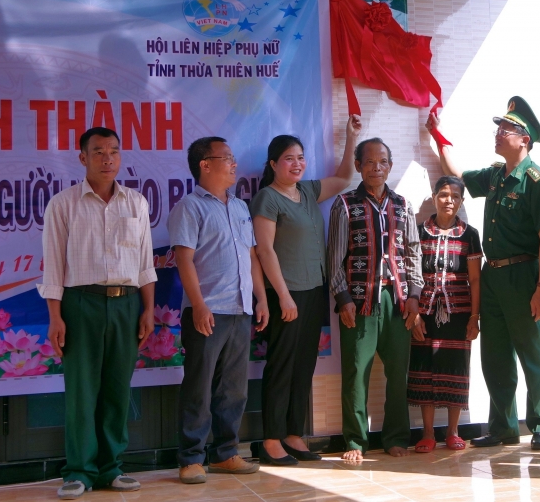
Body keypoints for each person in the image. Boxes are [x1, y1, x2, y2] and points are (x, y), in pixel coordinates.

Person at [427, 96, 540, 451]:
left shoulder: (537, 181)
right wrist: (438, 136)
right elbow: (457, 176)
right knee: (495, 356)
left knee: (533, 353)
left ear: (524, 139)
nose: (498, 133)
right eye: (499, 127)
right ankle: (502, 426)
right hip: (493, 275)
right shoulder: (496, 176)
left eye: (506, 129)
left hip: (524, 275)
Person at [39, 127, 156, 500]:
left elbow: (144, 263)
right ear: (83, 158)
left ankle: (110, 468)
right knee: (81, 391)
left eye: (114, 152)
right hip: (79, 304)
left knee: (117, 389)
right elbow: (53, 268)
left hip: (126, 304)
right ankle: (78, 471)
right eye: (99, 152)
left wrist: (148, 308)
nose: (108, 158)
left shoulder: (136, 202)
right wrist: (56, 317)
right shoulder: (63, 204)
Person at [250, 116, 361, 465]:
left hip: (315, 291)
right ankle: (270, 440)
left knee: (304, 365)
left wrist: (350, 137)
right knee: (281, 366)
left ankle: (294, 434)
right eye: (288, 158)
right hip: (287, 293)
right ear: (273, 164)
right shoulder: (268, 198)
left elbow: (344, 178)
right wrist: (281, 296)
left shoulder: (309, 190)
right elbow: (264, 250)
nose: (296, 163)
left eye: (300, 157)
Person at [168, 136, 269, 484]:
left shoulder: (241, 208)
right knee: (199, 387)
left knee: (234, 389)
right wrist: (198, 305)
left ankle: (226, 453)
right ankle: (191, 458)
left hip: (241, 310)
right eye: (226, 158)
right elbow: (183, 259)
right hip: (207, 312)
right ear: (205, 165)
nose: (234, 164)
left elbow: (252, 257)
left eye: (233, 157)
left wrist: (262, 300)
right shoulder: (190, 207)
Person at [327, 138, 424, 461]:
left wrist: (414, 295)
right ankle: (355, 442)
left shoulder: (403, 205)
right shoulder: (344, 204)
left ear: (390, 166)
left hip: (397, 302)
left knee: (399, 374)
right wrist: (343, 299)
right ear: (358, 166)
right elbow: (335, 258)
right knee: (356, 372)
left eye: (382, 161)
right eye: (369, 162)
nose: (376, 168)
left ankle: (396, 437)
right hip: (359, 301)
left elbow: (413, 253)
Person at [408, 176, 482, 453]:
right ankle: (427, 434)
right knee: (424, 369)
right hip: (424, 312)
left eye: (455, 196)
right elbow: (410, 274)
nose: (449, 200)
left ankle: (453, 432)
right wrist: (413, 314)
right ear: (434, 197)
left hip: (458, 313)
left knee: (456, 368)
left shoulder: (469, 234)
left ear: (461, 201)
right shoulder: (418, 231)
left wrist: (475, 317)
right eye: (443, 194)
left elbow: (474, 280)